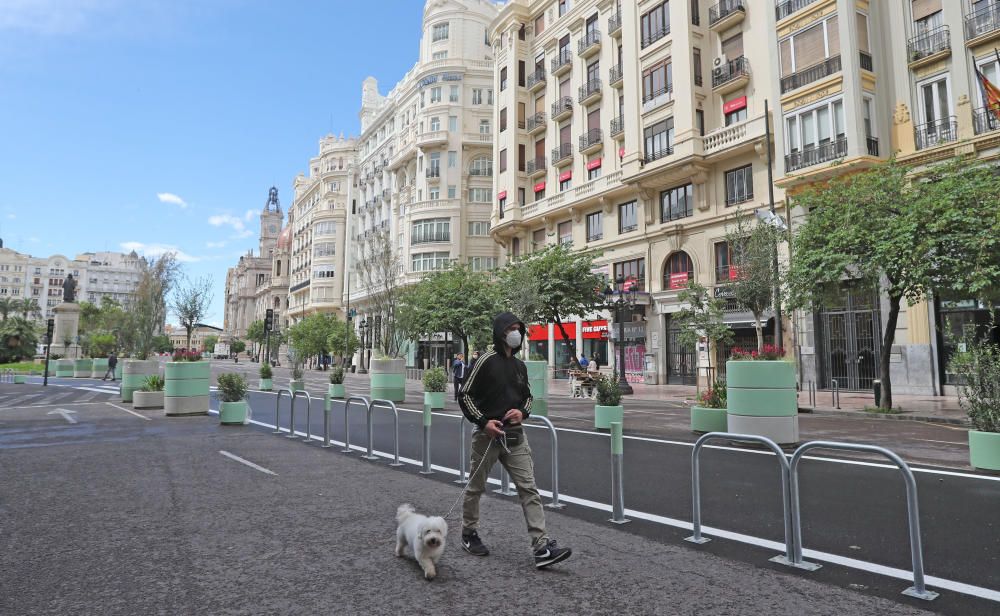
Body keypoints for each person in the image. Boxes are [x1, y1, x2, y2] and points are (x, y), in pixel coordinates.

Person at [458, 311, 572, 569]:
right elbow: (465, 395)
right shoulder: (485, 361)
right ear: (500, 332)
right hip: (488, 437)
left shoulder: (520, 366)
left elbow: (528, 397)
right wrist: (484, 422)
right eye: (511, 328)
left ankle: (541, 547)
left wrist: (523, 412)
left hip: (515, 437)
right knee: (476, 488)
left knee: (529, 489)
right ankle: (468, 533)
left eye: (519, 328)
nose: (516, 333)